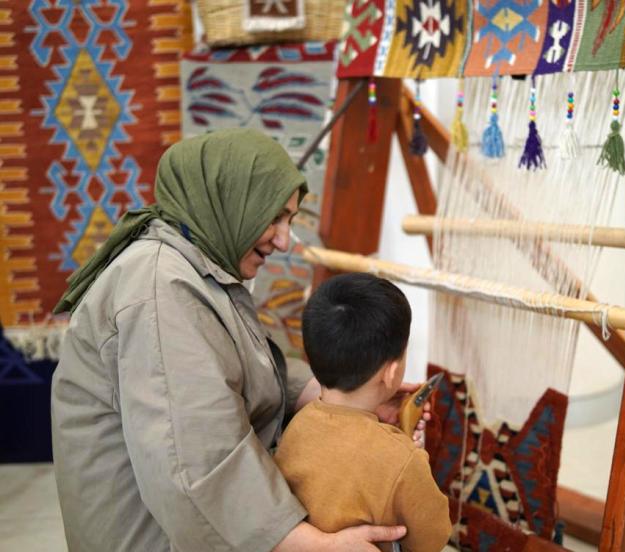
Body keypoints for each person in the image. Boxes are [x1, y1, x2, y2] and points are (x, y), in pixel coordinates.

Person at [50, 128, 422, 551]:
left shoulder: (196, 269)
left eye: (290, 220)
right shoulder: (159, 290)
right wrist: (310, 545)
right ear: (230, 200)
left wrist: (349, 394)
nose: (284, 240)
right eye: (274, 217)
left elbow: (239, 367)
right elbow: (198, 461)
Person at [275, 273, 452, 552]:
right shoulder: (401, 458)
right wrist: (415, 457)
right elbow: (434, 537)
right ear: (391, 373)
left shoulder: (294, 427)